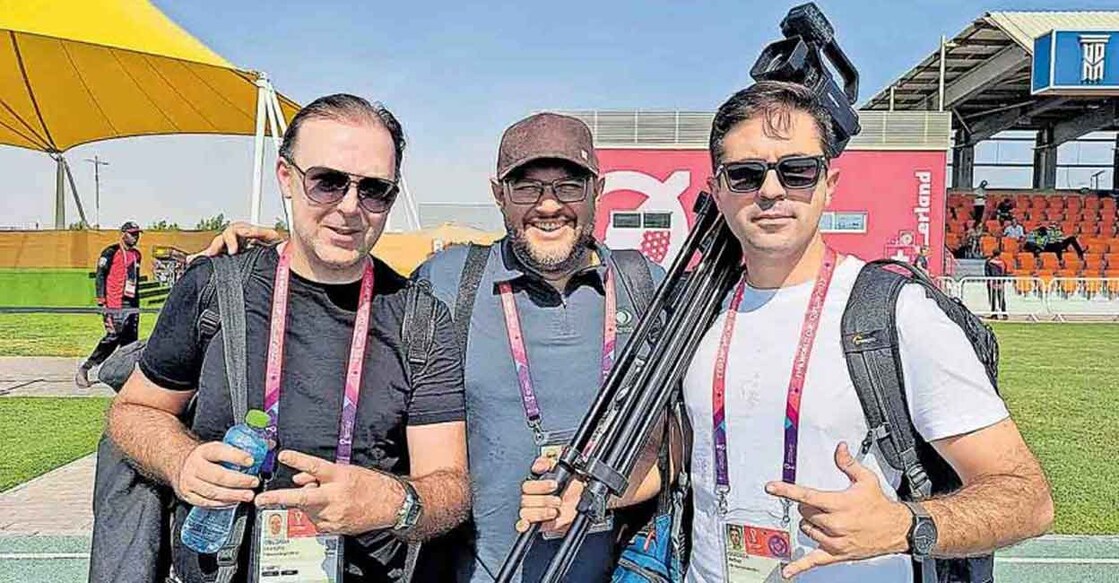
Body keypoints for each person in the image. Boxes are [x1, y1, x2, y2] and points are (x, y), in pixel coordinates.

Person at [199, 112, 667, 583]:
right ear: (498, 194)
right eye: (526, 187)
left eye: (569, 186)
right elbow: (355, 284)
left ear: (597, 191)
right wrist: (286, 248)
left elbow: (682, 444)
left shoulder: (647, 287)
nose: (549, 205)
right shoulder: (447, 280)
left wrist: (602, 490)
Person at [680, 81, 1051, 582]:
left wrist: (905, 523)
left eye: (796, 171)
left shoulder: (897, 313)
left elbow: (1026, 497)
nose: (770, 191)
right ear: (718, 189)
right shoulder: (693, 315)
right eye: (745, 175)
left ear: (829, 183)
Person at [106, 94, 470, 582]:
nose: (349, 207)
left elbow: (449, 486)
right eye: (327, 181)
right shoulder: (216, 287)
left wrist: (393, 502)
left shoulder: (421, 319)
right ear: (286, 177)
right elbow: (134, 410)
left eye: (375, 190)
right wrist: (181, 461)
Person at [75, 221, 143, 388]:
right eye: (132, 234)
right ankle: (86, 368)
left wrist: (137, 306)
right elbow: (100, 276)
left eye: (137, 234)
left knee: (130, 342)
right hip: (114, 303)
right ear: (123, 234)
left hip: (132, 303)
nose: (136, 237)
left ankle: (125, 376)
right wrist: (102, 302)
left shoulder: (137, 255)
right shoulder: (110, 252)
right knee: (113, 336)